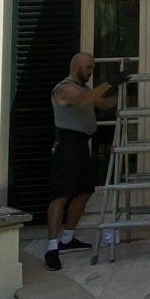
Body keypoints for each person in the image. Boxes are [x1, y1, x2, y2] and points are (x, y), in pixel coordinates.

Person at [45, 52, 115, 270]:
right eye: (89, 68)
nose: (91, 71)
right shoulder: (64, 89)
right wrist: (111, 82)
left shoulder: (85, 90)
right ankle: (52, 246)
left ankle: (68, 237)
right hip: (66, 144)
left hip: (82, 144)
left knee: (85, 191)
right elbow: (85, 100)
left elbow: (102, 104)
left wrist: (128, 92)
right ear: (78, 68)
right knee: (61, 195)